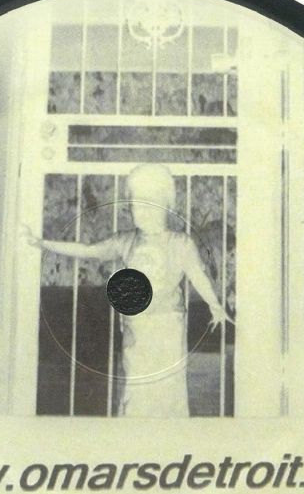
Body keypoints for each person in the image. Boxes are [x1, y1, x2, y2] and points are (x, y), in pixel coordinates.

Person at [22, 163, 232, 417]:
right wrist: (42, 243)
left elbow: (198, 275)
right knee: (136, 386)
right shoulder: (125, 241)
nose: (141, 211)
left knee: (168, 386)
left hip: (168, 326)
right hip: (137, 329)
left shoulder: (180, 243)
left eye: (150, 203)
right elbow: (88, 250)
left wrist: (215, 306)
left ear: (165, 205)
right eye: (135, 205)